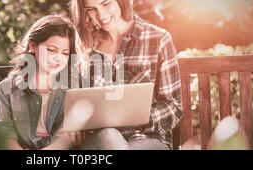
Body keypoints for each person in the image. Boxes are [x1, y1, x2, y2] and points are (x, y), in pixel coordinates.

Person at [70, 0, 183, 150]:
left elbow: (173, 106)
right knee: (109, 137)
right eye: (91, 9)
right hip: (100, 141)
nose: (100, 15)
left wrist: (138, 118)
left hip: (148, 139)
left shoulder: (158, 39)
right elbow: (72, 102)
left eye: (106, 3)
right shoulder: (84, 45)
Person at [0, 15, 78, 150]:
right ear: (33, 46)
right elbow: (3, 129)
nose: (58, 58)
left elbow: (68, 132)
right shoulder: (7, 89)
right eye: (51, 50)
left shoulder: (72, 88)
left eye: (65, 53)